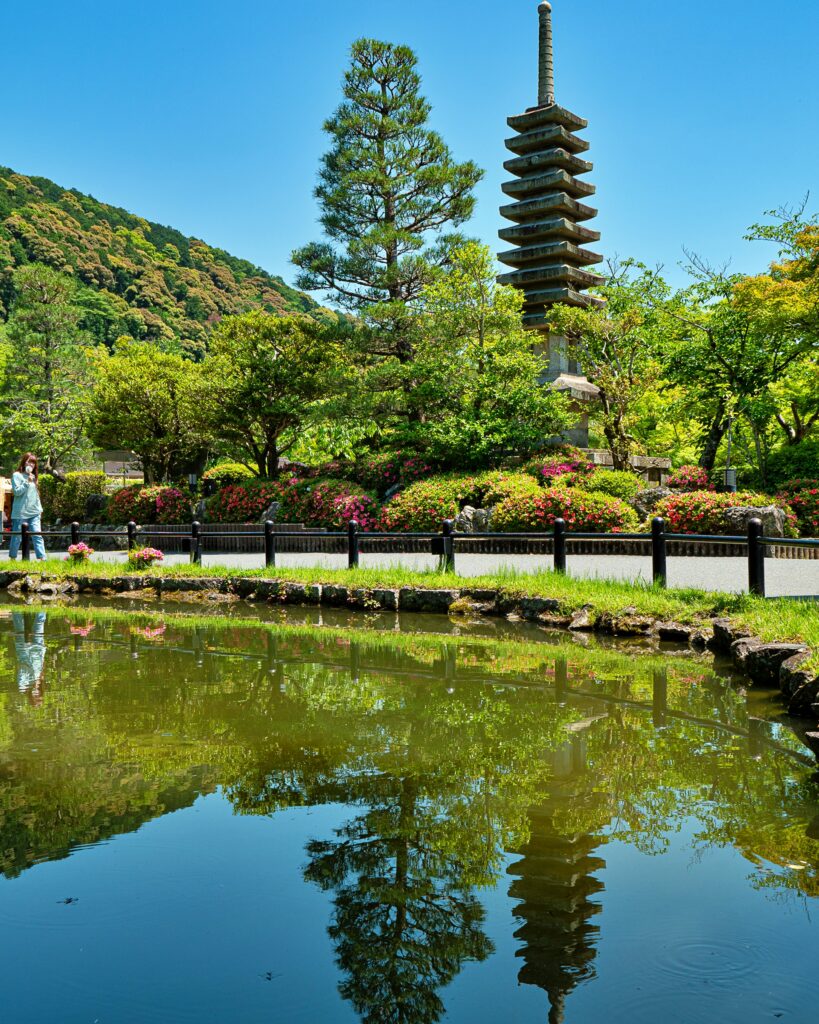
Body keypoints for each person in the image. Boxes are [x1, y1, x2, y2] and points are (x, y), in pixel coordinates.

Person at [8, 452, 47, 560]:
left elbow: (35, 494)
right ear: (24, 462)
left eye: (34, 463)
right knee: (17, 537)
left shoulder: (34, 477)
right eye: (29, 461)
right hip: (20, 512)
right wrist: (26, 481)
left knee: (37, 535)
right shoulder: (17, 475)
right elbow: (16, 492)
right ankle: (12, 558)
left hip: (34, 512)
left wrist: (40, 509)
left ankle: (42, 559)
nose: (31, 464)